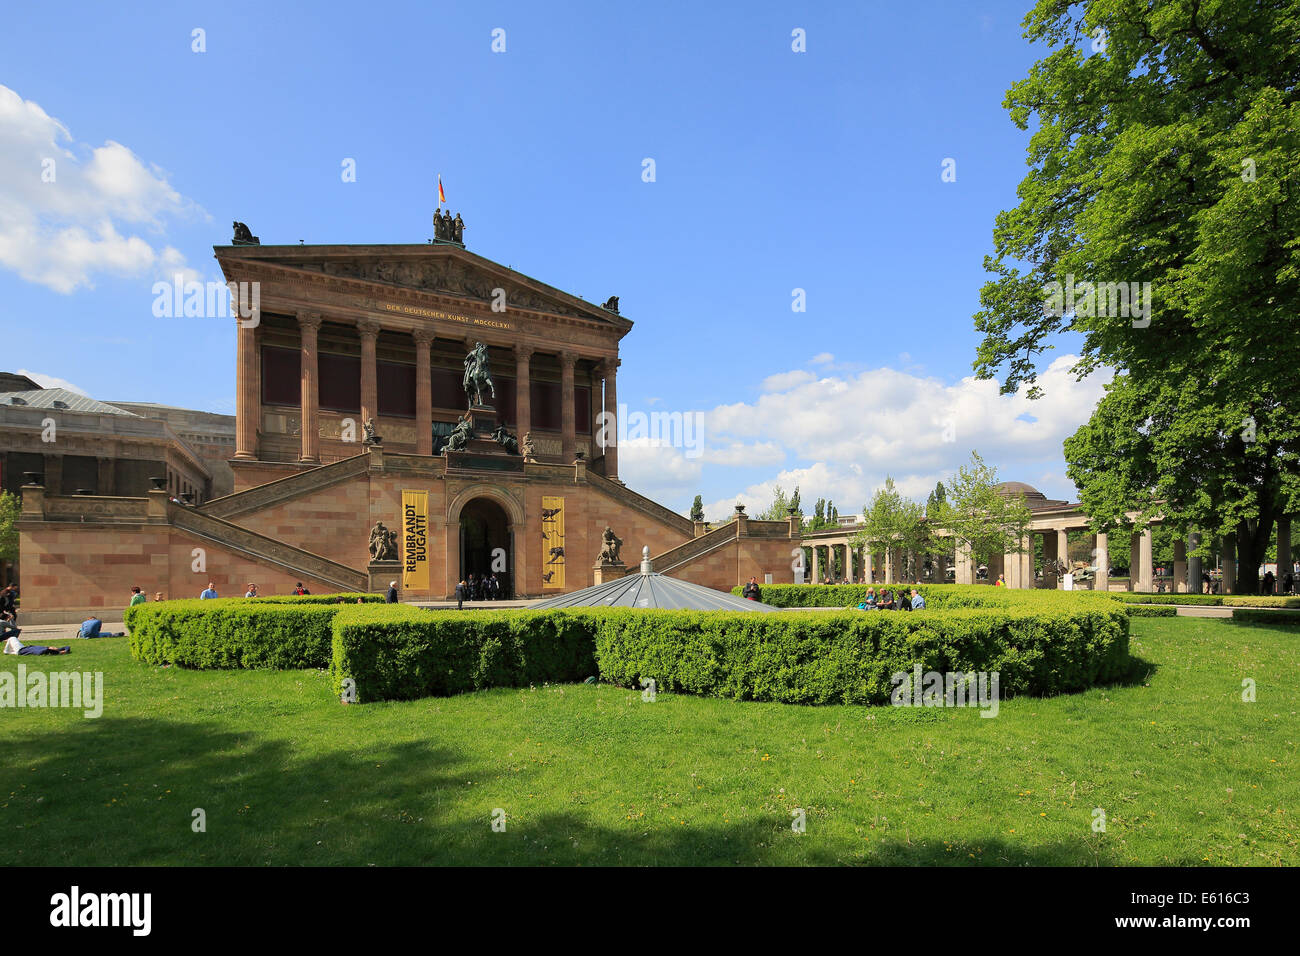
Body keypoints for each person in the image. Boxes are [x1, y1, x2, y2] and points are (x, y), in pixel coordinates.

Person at [5, 636, 70, 655]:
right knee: (12, 643)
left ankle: (6, 651)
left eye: (54, 648)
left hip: (20, 650)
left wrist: (60, 652)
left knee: (12, 638)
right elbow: (67, 647)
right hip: (24, 648)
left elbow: (46, 651)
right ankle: (8, 652)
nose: (54, 647)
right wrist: (61, 650)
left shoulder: (42, 650)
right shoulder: (44, 648)